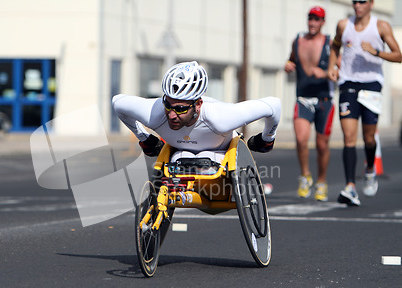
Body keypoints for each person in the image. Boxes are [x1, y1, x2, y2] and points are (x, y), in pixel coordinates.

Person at [112, 61, 281, 164]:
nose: (171, 114)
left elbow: (274, 105)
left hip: (219, 154)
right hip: (179, 155)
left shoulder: (220, 117)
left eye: (180, 109)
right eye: (168, 105)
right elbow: (118, 103)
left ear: (198, 104)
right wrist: (144, 138)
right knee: (180, 157)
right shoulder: (155, 112)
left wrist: (266, 139)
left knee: (207, 159)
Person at [327, 0, 402, 206]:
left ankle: (370, 169)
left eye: (362, 1)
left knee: (369, 138)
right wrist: (333, 66)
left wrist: (376, 52)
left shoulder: (381, 26)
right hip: (348, 84)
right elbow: (335, 45)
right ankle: (350, 186)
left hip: (371, 85)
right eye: (354, 2)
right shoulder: (344, 24)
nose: (357, 5)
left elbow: (398, 55)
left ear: (371, 4)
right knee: (349, 138)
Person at [285, 6, 335, 201]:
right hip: (303, 99)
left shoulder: (330, 44)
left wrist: (324, 73)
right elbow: (291, 60)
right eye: (310, 18)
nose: (313, 22)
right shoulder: (298, 40)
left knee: (322, 145)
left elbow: (338, 71)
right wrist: (288, 65)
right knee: (301, 139)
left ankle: (321, 181)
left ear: (323, 22)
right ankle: (305, 175)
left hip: (324, 100)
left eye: (317, 19)